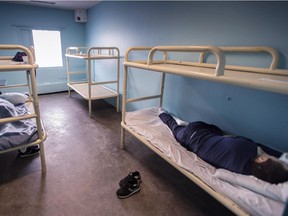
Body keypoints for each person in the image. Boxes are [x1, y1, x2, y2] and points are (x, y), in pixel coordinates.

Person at [159, 112, 288, 184]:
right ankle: (164, 115)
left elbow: (259, 145)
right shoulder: (245, 172)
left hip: (196, 130)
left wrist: (280, 155)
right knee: (175, 129)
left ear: (261, 160)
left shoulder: (246, 147)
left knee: (215, 132)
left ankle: (161, 113)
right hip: (189, 140)